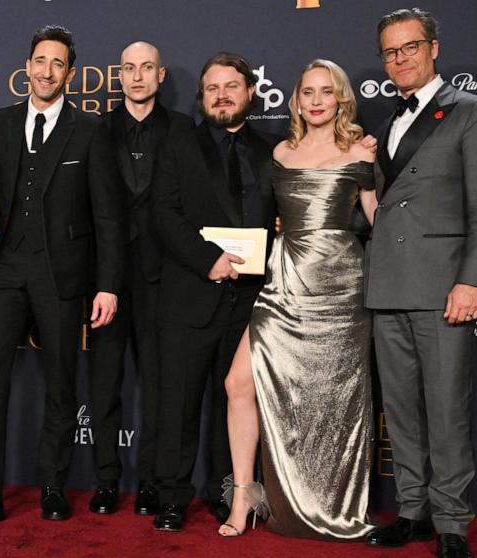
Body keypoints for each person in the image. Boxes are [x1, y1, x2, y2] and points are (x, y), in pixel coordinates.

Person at [0, 25, 125, 531]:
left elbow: (109, 217)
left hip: (63, 274)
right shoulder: (0, 124)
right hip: (5, 267)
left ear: (70, 73)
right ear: (26, 67)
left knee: (61, 384)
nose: (46, 71)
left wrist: (108, 283)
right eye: (39, 61)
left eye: (57, 64)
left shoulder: (88, 130)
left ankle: (52, 485)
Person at [363, 9, 477, 558]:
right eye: (390, 52)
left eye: (410, 48)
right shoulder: (387, 122)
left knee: (445, 410)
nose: (400, 59)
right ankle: (412, 510)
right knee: (398, 410)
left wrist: (472, 281)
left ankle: (451, 523)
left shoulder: (474, 112)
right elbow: (385, 209)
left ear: (434, 49)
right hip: (388, 287)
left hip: (445, 288)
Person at [219, 59, 378, 540]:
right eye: (307, 91)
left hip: (340, 288)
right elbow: (265, 216)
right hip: (284, 283)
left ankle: (331, 503)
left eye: (325, 92)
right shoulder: (281, 152)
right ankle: (245, 492)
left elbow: (381, 222)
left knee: (334, 403)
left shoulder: (362, 151)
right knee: (237, 383)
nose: (315, 101)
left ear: (341, 98)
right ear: (296, 99)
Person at [149, 52, 278, 532]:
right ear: (202, 99)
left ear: (250, 92)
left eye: (231, 86)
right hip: (190, 292)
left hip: (252, 301)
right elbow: (163, 213)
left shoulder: (273, 150)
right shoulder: (178, 145)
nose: (222, 95)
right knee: (178, 402)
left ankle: (233, 495)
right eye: (212, 89)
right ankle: (172, 498)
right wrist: (208, 260)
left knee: (238, 401)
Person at [88, 41, 195, 516]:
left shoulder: (183, 129)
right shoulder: (94, 130)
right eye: (128, 68)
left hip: (164, 277)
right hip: (105, 276)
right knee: (104, 383)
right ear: (119, 75)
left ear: (161, 74)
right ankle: (107, 479)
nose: (136, 76)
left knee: (159, 385)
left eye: (146, 68)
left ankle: (152, 480)